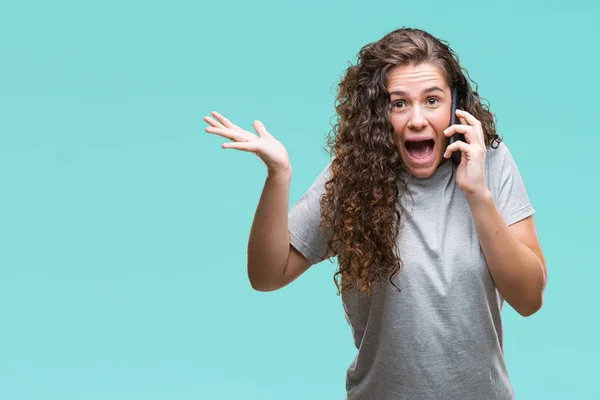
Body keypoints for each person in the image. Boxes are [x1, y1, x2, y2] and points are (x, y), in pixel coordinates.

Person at [204, 27, 547, 400]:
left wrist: (477, 193)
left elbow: (529, 299)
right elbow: (267, 275)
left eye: (432, 100)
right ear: (378, 113)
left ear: (455, 104)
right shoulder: (354, 177)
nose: (417, 119)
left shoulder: (491, 162)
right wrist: (278, 176)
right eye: (399, 103)